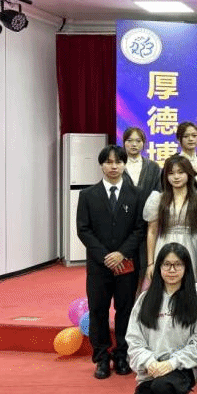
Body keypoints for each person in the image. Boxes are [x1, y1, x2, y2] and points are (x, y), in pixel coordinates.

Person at [76, 145, 145, 379]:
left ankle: (122, 355)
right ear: (101, 165)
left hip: (127, 264)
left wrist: (122, 253)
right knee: (98, 310)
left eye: (118, 162)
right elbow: (83, 229)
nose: (113, 166)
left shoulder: (136, 194)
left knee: (125, 310)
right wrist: (105, 256)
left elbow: (140, 229)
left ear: (125, 164)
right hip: (99, 266)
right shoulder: (88, 195)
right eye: (108, 162)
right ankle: (102, 357)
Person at [125, 243, 197, 394]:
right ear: (159, 267)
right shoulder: (145, 299)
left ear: (186, 268)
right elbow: (134, 340)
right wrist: (150, 362)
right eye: (167, 264)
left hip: (181, 368)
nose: (172, 270)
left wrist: (172, 363)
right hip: (151, 369)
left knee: (163, 387)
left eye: (177, 265)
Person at [143, 155, 197, 284]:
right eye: (171, 173)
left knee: (189, 284)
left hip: (192, 244)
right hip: (164, 243)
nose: (176, 177)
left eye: (180, 172)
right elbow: (152, 231)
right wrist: (150, 263)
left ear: (189, 174)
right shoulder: (158, 199)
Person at [122, 126, 162, 280]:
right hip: (124, 224)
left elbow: (158, 192)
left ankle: (142, 293)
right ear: (124, 143)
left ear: (144, 143)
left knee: (145, 265)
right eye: (129, 140)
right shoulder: (118, 166)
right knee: (125, 267)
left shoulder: (153, 167)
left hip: (147, 224)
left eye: (138, 141)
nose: (134, 144)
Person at [175, 121, 197, 190]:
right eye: (186, 136)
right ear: (179, 139)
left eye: (194, 136)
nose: (190, 139)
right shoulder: (173, 162)